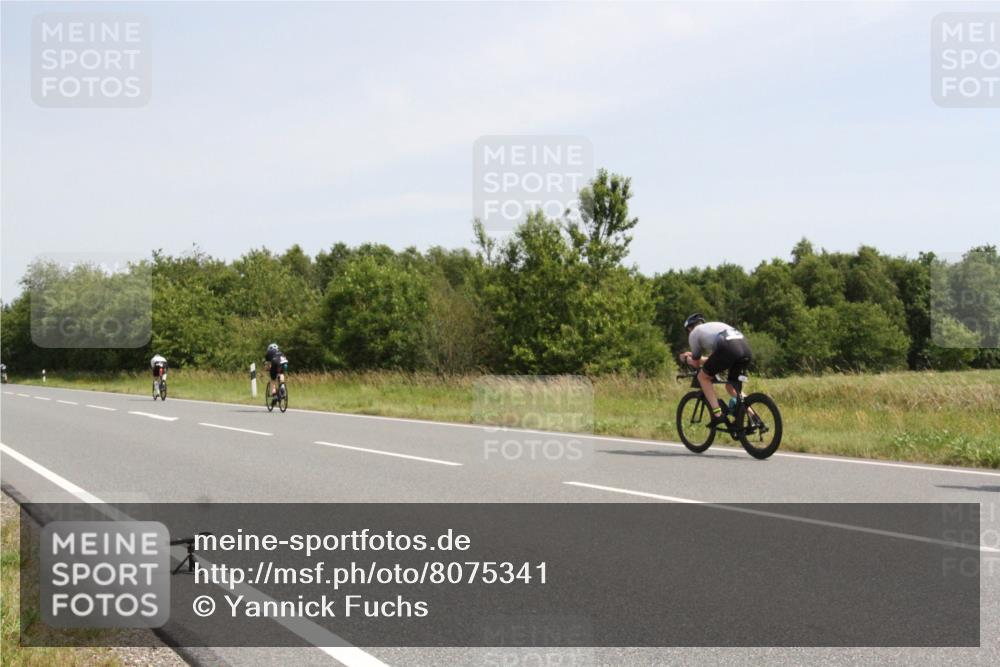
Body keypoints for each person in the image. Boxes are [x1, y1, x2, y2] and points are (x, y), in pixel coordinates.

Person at [678, 314, 753, 426]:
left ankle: (718, 414)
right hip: (745, 348)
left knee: (702, 377)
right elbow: (713, 359)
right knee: (731, 387)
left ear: (689, 328)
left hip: (728, 348)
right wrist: (695, 357)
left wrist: (686, 358)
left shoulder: (694, 334)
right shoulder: (713, 328)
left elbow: (696, 363)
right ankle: (754, 417)